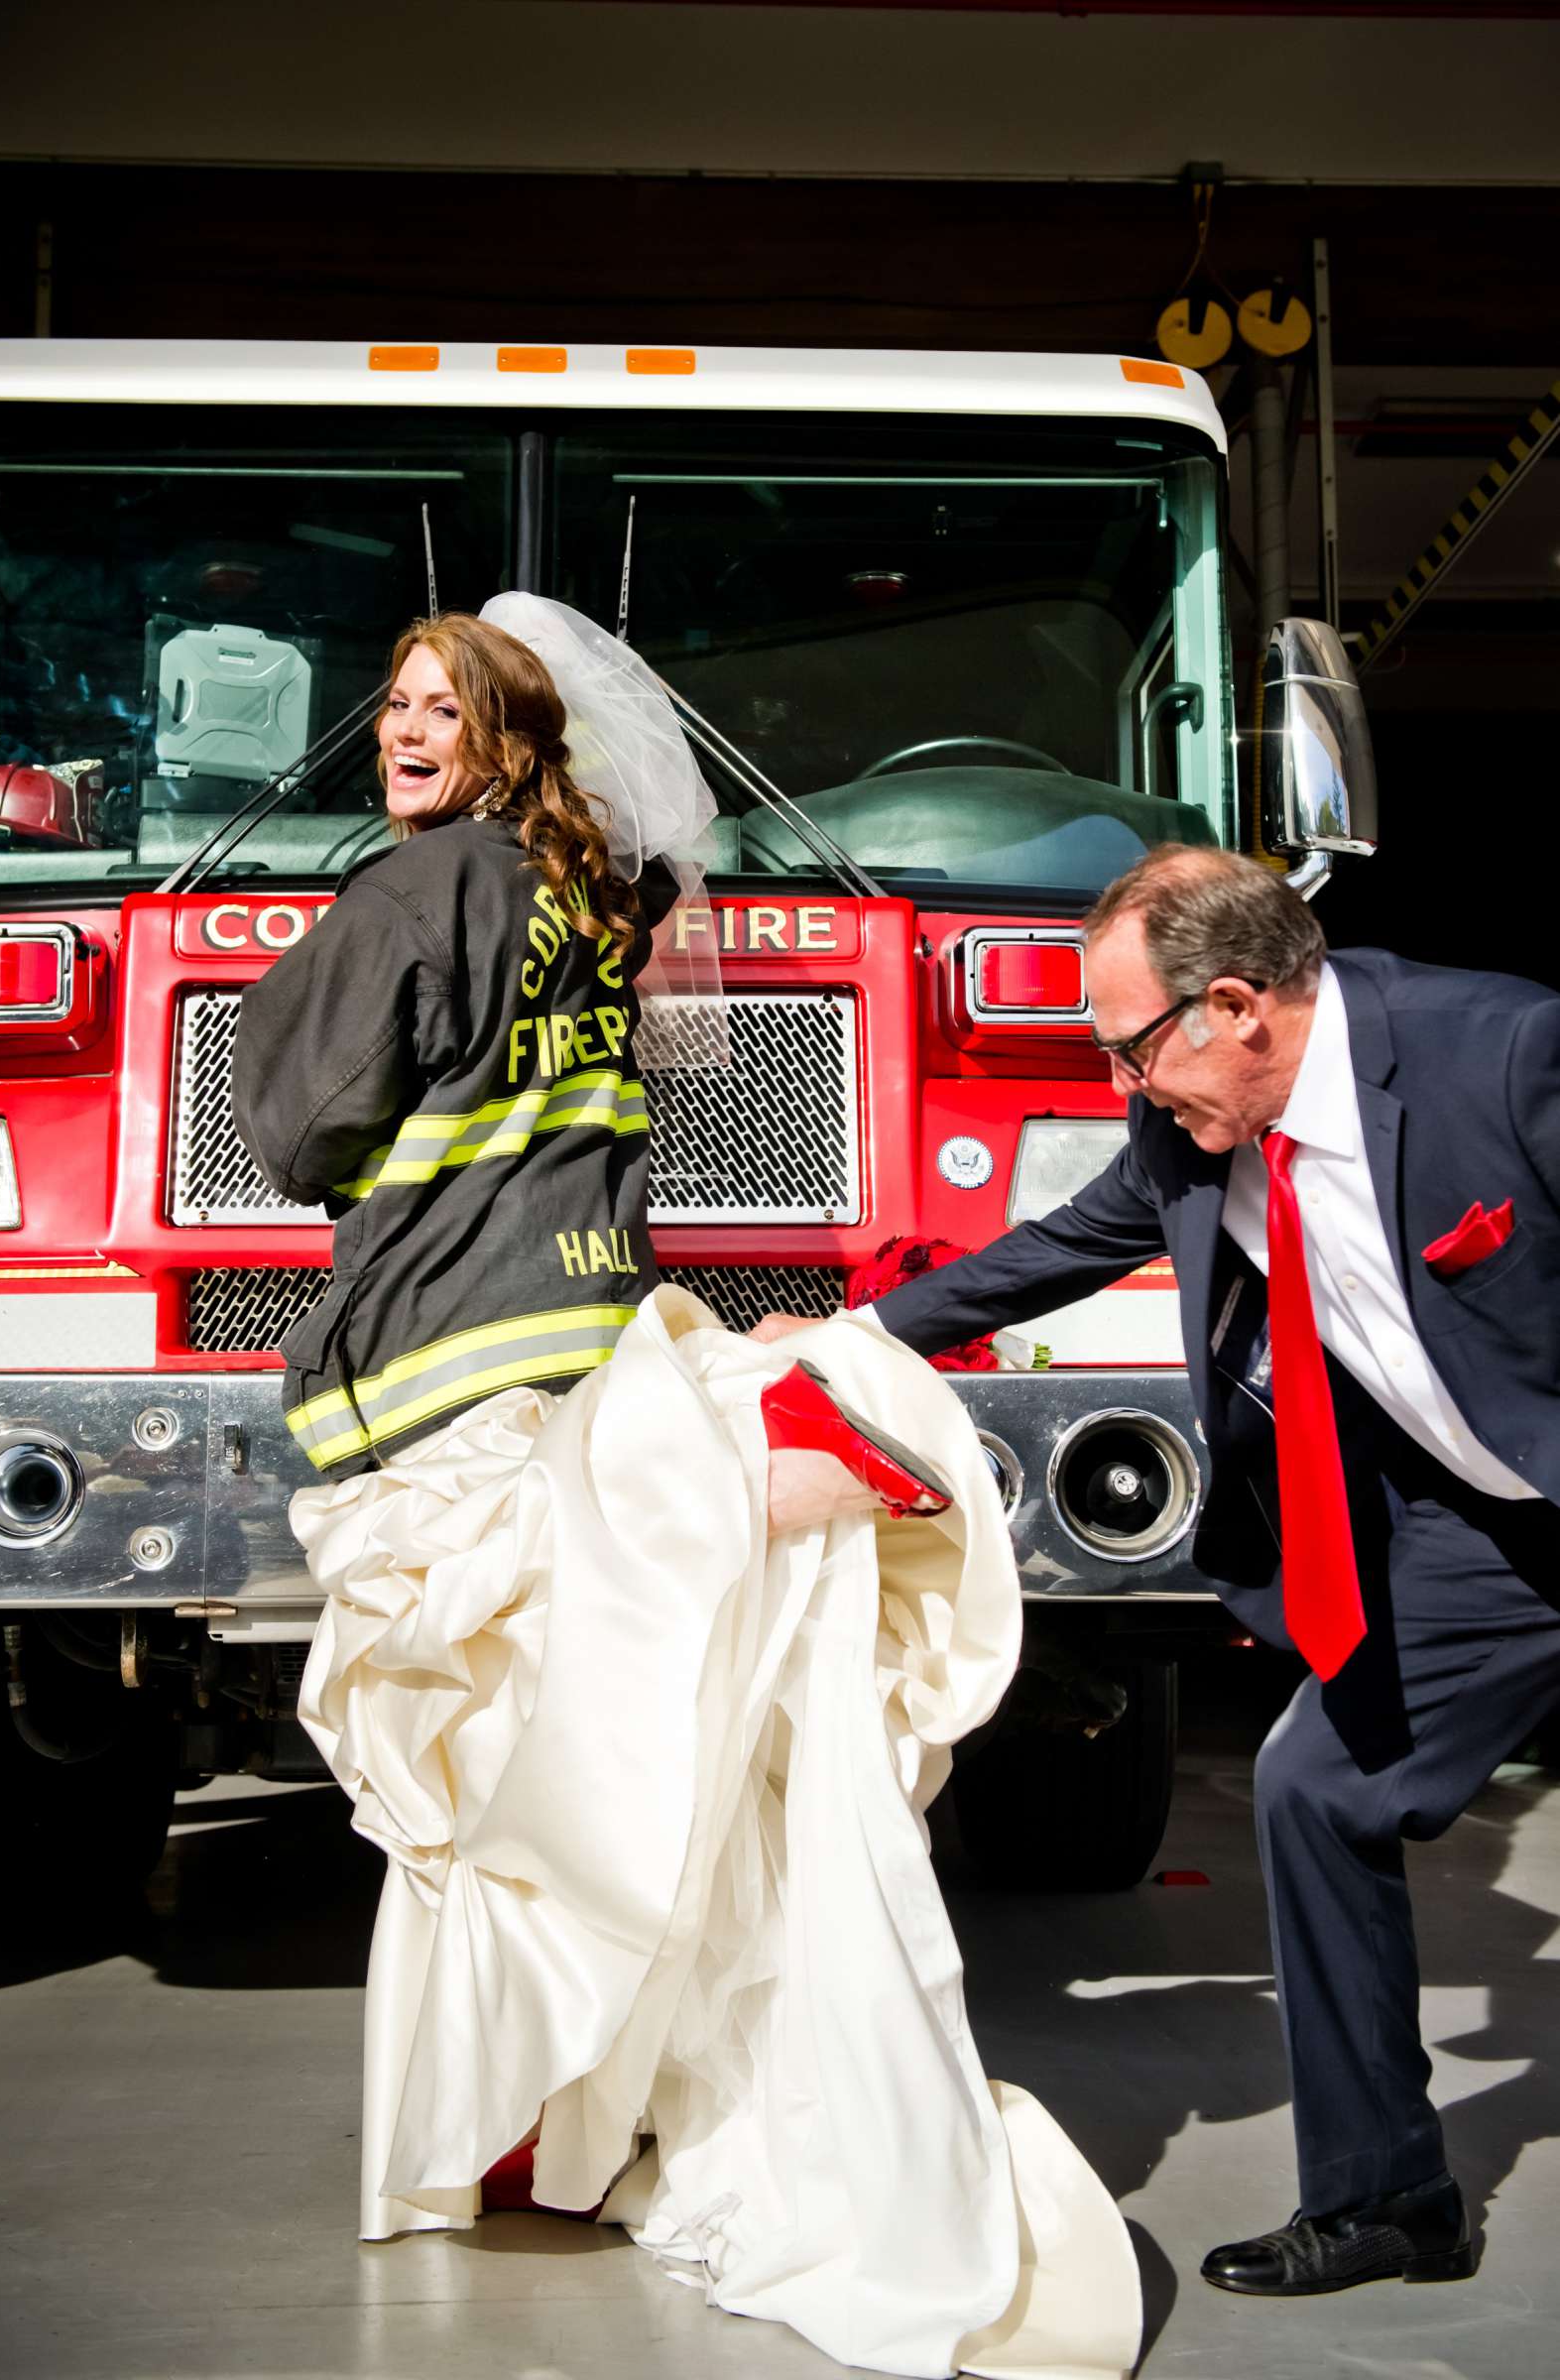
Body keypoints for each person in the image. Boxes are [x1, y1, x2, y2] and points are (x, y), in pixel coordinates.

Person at [230, 602, 1143, 2380]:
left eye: (442, 708)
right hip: (587, 1352)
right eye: (394, 706)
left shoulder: (420, 894)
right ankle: (584, 2106)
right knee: (613, 1732)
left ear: (506, 734)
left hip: (434, 1376)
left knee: (480, 1774)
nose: (402, 731)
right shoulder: (596, 899)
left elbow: (292, 1126)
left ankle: (516, 2126)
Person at [756, 841, 1560, 2299]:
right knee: (1316, 1786)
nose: (1123, 1086)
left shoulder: (1504, 1053)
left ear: (1239, 1008)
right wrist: (852, 1338)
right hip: (1488, 1533)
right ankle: (1387, 2198)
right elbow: (1061, 1246)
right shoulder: (1196, 1134)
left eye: (1131, 1048)